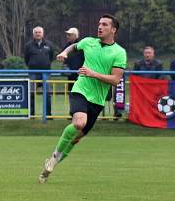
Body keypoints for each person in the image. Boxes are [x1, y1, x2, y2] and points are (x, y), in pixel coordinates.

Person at [38, 15, 126, 183]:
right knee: (79, 123)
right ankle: (54, 158)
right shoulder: (88, 41)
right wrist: (64, 52)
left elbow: (115, 80)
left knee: (77, 137)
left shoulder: (119, 52)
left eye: (105, 24)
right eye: (99, 23)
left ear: (113, 30)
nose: (100, 26)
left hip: (98, 100)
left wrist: (93, 73)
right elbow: (74, 46)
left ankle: (51, 165)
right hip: (81, 89)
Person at [24, 26, 55, 117]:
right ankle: (31, 114)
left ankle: (48, 114)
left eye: (39, 32)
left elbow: (51, 57)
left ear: (43, 34)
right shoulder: (28, 45)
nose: (38, 34)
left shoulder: (49, 44)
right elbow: (26, 59)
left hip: (46, 73)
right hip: (33, 73)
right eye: (36, 32)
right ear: (33, 34)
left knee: (47, 94)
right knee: (31, 93)